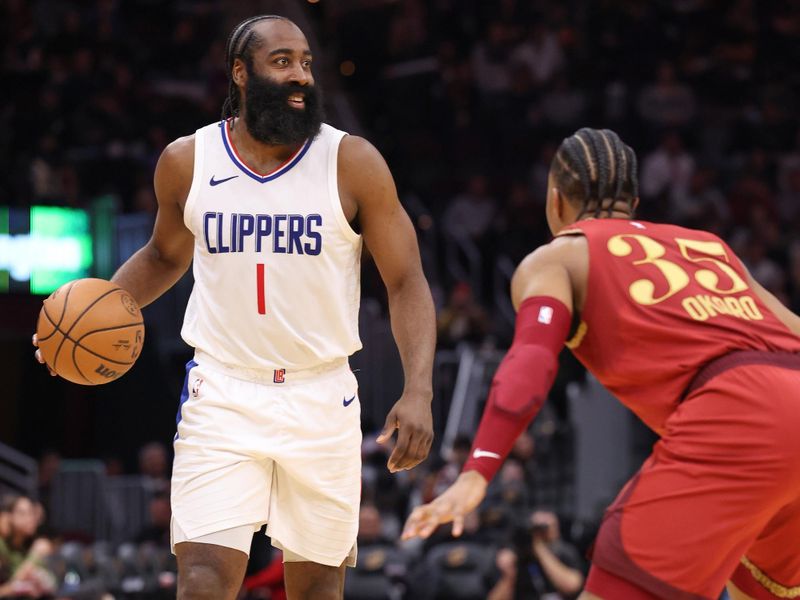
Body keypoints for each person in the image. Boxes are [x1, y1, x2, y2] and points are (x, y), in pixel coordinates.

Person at [34, 14, 436, 600]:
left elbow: (406, 281)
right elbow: (164, 256)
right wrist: (90, 315)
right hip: (222, 392)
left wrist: (418, 388)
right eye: (282, 62)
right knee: (201, 577)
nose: (300, 75)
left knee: (318, 587)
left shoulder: (353, 163)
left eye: (305, 62)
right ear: (241, 74)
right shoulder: (188, 160)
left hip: (321, 394)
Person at [402, 128, 800, 600]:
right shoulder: (709, 246)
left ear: (555, 201)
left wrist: (478, 470)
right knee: (757, 585)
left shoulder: (559, 256)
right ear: (633, 200)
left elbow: (530, 363)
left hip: (736, 413)